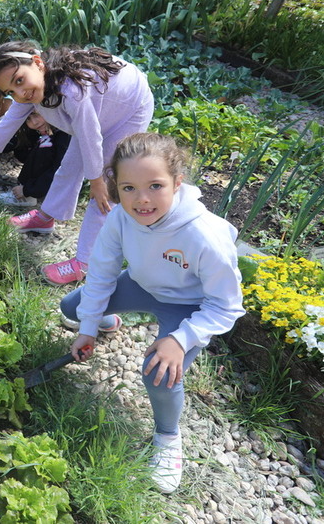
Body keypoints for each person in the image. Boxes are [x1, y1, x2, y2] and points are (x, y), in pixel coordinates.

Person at [61, 132, 244, 493]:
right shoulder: (121, 218)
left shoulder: (203, 236)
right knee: (73, 307)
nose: (141, 200)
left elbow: (227, 305)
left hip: (189, 305)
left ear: (177, 183)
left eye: (155, 186)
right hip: (143, 284)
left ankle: (167, 437)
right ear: (116, 186)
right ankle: (109, 323)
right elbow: (101, 272)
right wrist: (88, 328)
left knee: (158, 370)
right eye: (128, 188)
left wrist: (181, 339)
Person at [0, 42, 154, 285]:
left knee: (104, 189)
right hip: (100, 106)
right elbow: (5, 127)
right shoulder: (30, 90)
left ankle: (84, 263)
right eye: (11, 90)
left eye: (19, 81)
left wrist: (95, 181)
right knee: (69, 166)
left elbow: (90, 136)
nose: (20, 94)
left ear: (38, 63)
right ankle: (47, 216)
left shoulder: (72, 91)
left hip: (129, 108)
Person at [0, 111, 72, 208]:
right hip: (56, 178)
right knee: (42, 142)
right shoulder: (50, 129)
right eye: (28, 119)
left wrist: (28, 190)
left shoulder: (66, 134)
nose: (34, 122)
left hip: (69, 181)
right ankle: (31, 188)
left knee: (45, 145)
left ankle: (29, 197)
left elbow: (60, 168)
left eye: (36, 115)